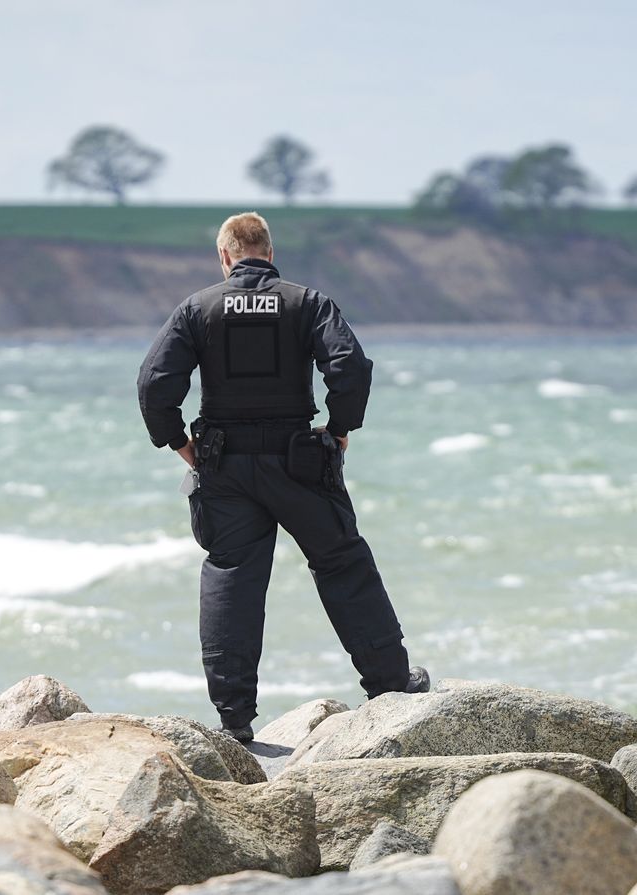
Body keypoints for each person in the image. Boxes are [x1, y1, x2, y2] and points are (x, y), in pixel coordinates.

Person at [138, 211, 429, 743]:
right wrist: (340, 430)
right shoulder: (307, 302)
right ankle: (390, 685)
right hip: (300, 462)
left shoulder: (197, 308)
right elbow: (350, 366)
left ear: (225, 257)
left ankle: (234, 721)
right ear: (269, 255)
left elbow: (155, 383)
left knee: (232, 577)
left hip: (223, 466)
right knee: (343, 564)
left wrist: (181, 444)